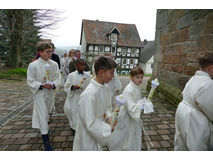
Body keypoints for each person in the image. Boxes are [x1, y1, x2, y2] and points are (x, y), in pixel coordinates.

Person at [73, 56, 117, 151]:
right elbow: (89, 123)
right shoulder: (89, 94)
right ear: (101, 72)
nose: (113, 76)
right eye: (111, 72)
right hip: (88, 135)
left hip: (100, 128)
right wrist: (108, 129)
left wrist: (109, 118)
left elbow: (106, 108)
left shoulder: (105, 88)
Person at [174, 53, 213, 151]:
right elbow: (210, 107)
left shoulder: (194, 78)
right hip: (194, 118)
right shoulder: (208, 83)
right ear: (211, 68)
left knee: (182, 140)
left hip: (182, 112)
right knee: (196, 145)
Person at [27, 42, 61, 151]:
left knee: (47, 112)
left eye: (51, 51)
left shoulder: (54, 64)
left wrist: (53, 84)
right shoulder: (33, 65)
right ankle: (46, 141)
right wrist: (41, 85)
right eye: (47, 52)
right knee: (42, 114)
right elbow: (30, 80)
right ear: (40, 52)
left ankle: (45, 127)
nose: (50, 54)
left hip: (50, 93)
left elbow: (58, 77)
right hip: (40, 94)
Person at [108, 66, 144, 151]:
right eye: (137, 77)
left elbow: (135, 100)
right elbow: (130, 107)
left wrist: (141, 102)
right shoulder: (129, 90)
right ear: (131, 77)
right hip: (127, 115)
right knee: (125, 134)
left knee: (132, 133)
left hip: (131, 114)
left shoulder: (136, 86)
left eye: (142, 77)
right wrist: (140, 106)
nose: (140, 79)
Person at [64, 59, 91, 131]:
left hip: (85, 97)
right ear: (76, 66)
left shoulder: (88, 75)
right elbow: (66, 86)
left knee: (84, 113)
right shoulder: (71, 75)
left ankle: (83, 127)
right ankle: (74, 127)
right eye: (81, 65)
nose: (83, 67)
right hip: (75, 98)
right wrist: (73, 87)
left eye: (84, 65)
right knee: (74, 113)